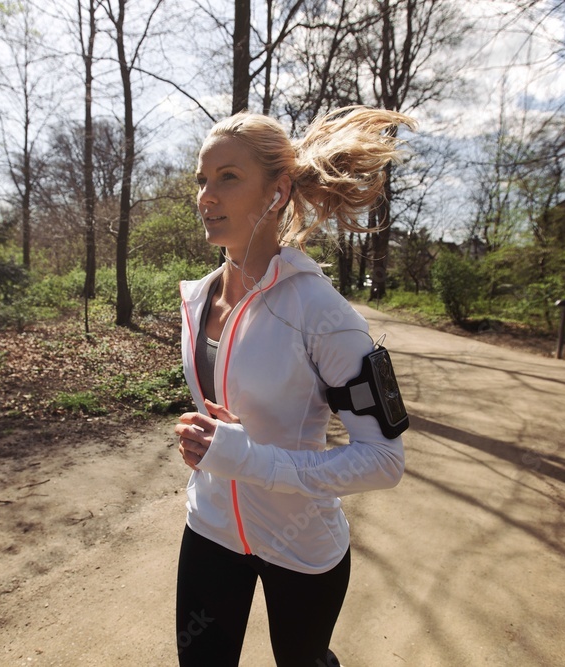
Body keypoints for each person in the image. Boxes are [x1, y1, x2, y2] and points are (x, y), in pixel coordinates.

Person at [173, 105, 413, 667]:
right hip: (209, 528)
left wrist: (250, 460)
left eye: (228, 178)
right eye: (201, 180)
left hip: (301, 546)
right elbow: (230, 423)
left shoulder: (323, 313)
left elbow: (384, 460)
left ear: (277, 192)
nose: (206, 196)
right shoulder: (196, 298)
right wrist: (207, 444)